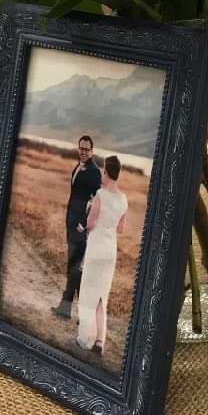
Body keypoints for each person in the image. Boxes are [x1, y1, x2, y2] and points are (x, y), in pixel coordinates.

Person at [76, 155, 128, 356]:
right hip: (110, 251)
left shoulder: (100, 195)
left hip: (96, 247)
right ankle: (100, 341)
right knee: (101, 296)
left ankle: (85, 338)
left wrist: (88, 215)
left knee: (89, 293)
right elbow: (121, 229)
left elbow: (90, 223)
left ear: (107, 172)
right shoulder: (123, 199)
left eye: (104, 171)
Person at [51, 135, 102, 319]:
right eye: (81, 148)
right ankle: (70, 311)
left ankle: (82, 313)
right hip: (71, 224)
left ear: (92, 151)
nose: (83, 151)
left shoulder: (94, 172)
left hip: (80, 228)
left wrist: (84, 223)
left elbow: (97, 202)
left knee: (75, 269)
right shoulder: (78, 167)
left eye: (87, 149)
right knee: (73, 268)